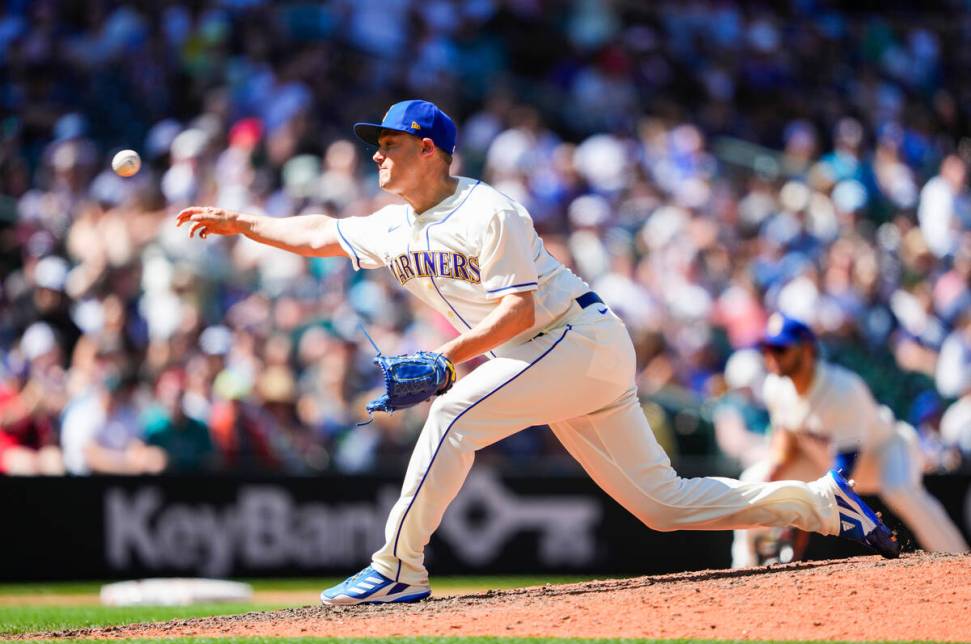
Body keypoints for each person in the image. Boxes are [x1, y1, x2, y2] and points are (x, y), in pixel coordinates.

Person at [177, 99, 900, 606]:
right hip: (548, 357)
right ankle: (820, 505)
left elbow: (518, 308)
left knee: (454, 413)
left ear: (427, 149)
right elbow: (319, 230)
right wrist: (244, 222)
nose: (377, 153)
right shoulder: (394, 225)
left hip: (573, 340)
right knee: (661, 504)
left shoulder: (489, 211)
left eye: (390, 143)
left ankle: (397, 567)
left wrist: (446, 359)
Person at [731, 313, 968, 568]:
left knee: (899, 489)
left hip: (883, 451)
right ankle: (743, 568)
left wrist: (800, 520)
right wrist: (774, 486)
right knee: (754, 479)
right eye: (767, 348)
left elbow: (843, 474)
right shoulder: (775, 387)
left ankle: (960, 562)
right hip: (825, 462)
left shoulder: (842, 389)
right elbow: (784, 443)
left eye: (780, 348)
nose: (771, 356)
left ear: (808, 350)